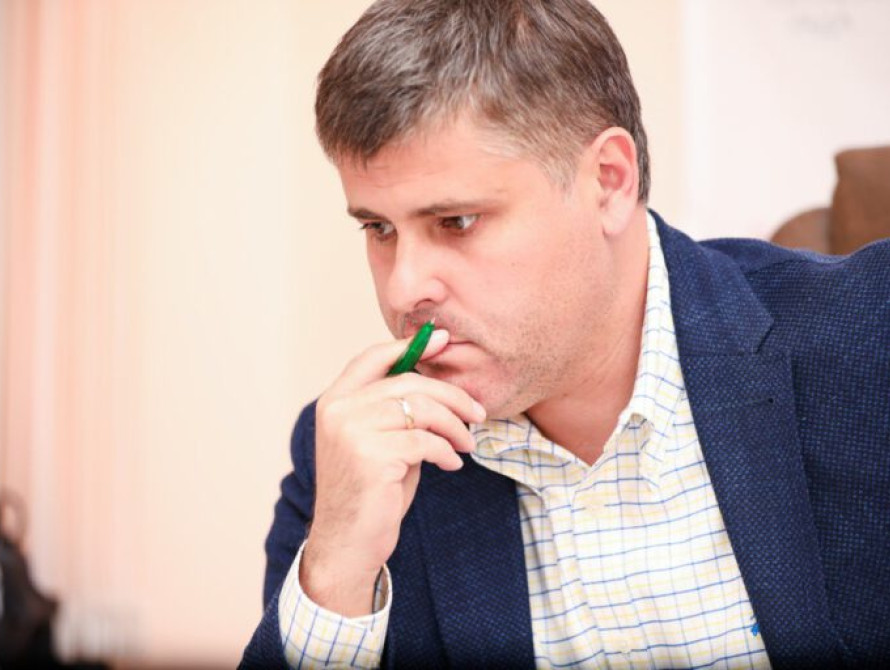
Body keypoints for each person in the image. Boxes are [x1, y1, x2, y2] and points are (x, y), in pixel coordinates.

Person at [241, 1, 890, 668]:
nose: (404, 289)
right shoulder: (354, 464)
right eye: (379, 228)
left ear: (608, 182)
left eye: (456, 222)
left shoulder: (873, 337)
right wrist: (334, 576)